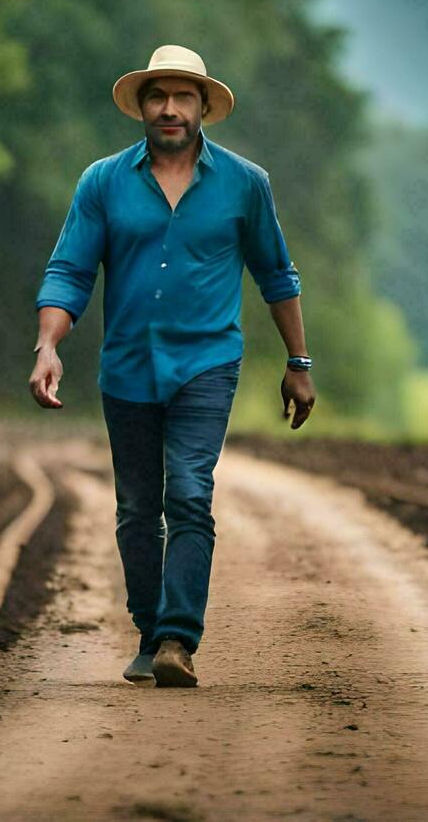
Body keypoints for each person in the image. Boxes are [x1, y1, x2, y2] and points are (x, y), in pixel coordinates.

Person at [28, 44, 316, 688]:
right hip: (127, 366)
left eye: (183, 97)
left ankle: (178, 638)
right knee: (135, 505)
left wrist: (298, 361)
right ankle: (149, 626)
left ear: (203, 107)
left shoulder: (246, 183)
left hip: (207, 364)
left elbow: (277, 274)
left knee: (188, 490)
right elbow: (69, 272)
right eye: (158, 96)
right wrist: (49, 346)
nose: (169, 109)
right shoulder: (102, 181)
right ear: (142, 106)